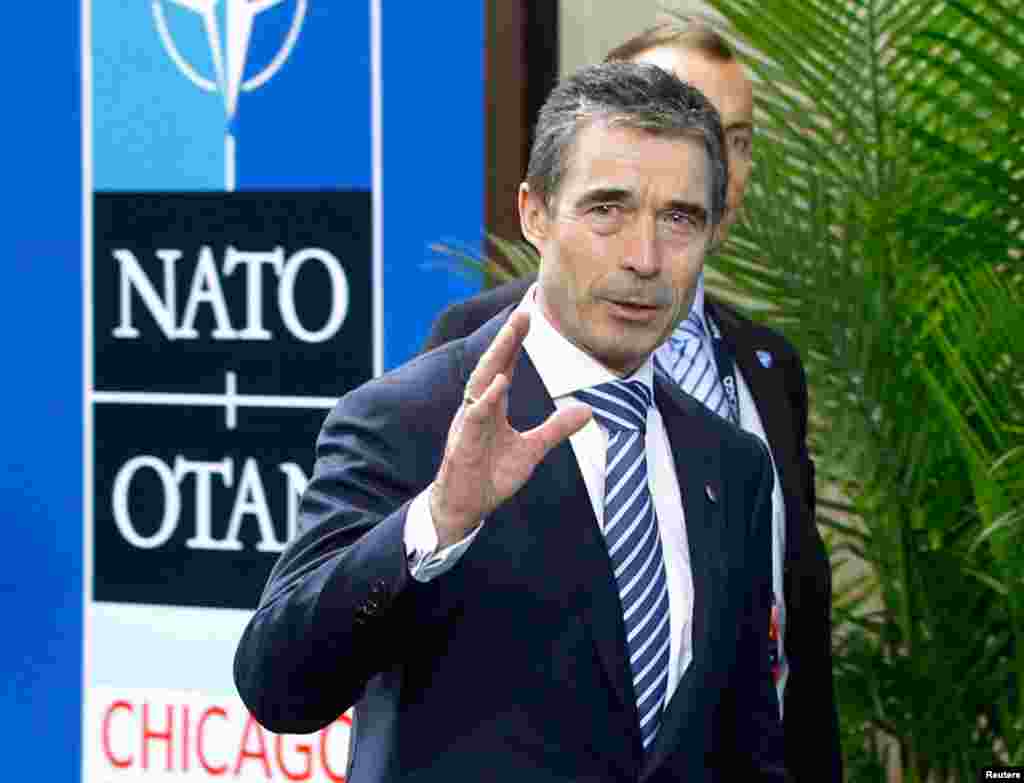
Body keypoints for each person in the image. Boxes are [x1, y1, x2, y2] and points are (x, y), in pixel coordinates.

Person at [235, 62, 787, 782]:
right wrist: (437, 521)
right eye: (607, 209)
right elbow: (279, 686)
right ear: (534, 214)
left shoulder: (731, 463)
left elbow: (748, 747)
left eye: (679, 219)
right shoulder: (412, 417)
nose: (644, 258)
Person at [421, 21, 841, 783]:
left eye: (736, 139)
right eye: (676, 115)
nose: (711, 157)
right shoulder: (477, 347)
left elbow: (790, 605)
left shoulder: (769, 363)